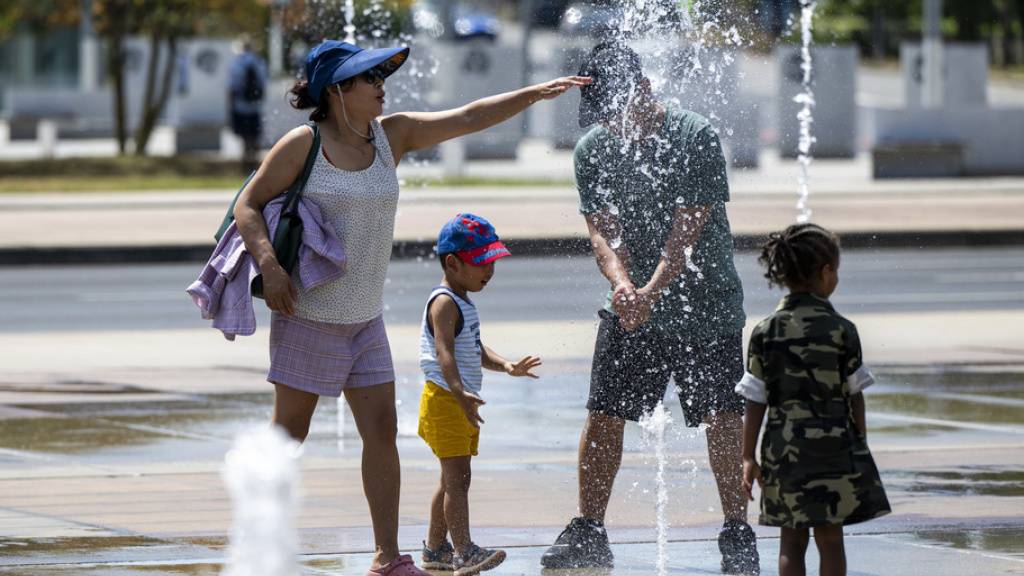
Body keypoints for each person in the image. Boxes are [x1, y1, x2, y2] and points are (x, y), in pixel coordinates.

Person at [231, 39, 587, 576]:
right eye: (368, 79)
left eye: (380, 76)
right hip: (309, 317)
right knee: (287, 437)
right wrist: (271, 267)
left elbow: (466, 117)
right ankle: (256, 546)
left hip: (364, 320)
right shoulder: (302, 145)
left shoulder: (389, 135)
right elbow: (247, 205)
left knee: (381, 431)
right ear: (336, 90)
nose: (381, 86)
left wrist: (531, 95)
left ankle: (387, 557)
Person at [540, 41, 759, 575]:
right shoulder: (593, 148)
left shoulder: (694, 135)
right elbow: (602, 229)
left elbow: (690, 224)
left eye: (618, 110)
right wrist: (622, 287)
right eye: (603, 116)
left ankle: (736, 531)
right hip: (630, 307)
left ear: (643, 88)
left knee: (722, 419)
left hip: (706, 307)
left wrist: (651, 290)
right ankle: (589, 528)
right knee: (604, 415)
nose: (614, 125)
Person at [737, 223, 891, 576]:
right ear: (825, 272)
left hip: (783, 449)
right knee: (831, 539)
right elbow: (855, 396)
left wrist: (748, 456)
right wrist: (860, 444)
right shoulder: (842, 329)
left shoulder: (765, 331)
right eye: (835, 270)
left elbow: (755, 400)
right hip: (834, 448)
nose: (836, 278)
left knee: (791, 541)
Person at [417, 213, 542, 576]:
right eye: (481, 263)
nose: (489, 271)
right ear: (452, 263)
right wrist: (459, 393)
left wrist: (507, 365)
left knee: (451, 478)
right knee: (458, 480)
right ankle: (464, 550)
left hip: (457, 399)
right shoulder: (444, 303)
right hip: (446, 399)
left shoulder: (462, 300)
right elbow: (444, 354)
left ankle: (436, 549)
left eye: (492, 262)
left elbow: (474, 348)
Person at [228, 39, 268, 172]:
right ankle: (255, 165)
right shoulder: (259, 62)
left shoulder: (236, 63)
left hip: (240, 105)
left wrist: (230, 107)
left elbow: (232, 87)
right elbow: (263, 86)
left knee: (244, 138)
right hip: (255, 106)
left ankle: (245, 164)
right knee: (254, 136)